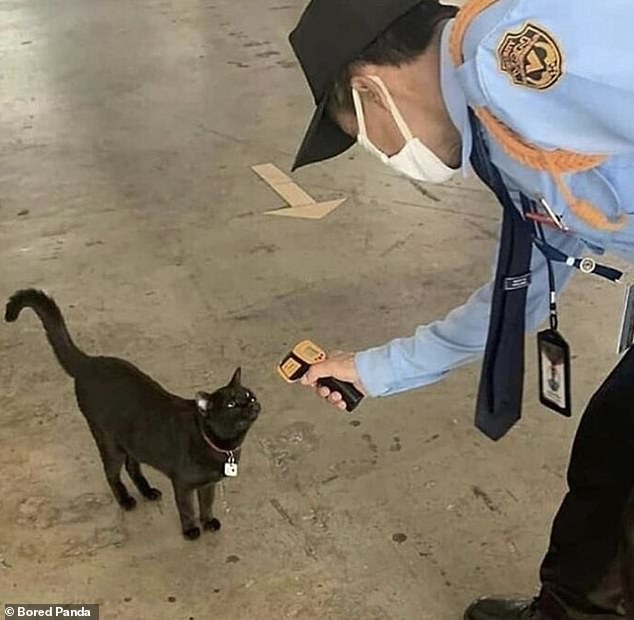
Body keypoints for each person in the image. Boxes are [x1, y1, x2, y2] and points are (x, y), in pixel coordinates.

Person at [286, 0, 634, 618]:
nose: (380, 151)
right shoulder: (496, 134)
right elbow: (523, 285)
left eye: (358, 132)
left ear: (370, 89)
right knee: (613, 451)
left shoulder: (513, 58)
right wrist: (373, 369)